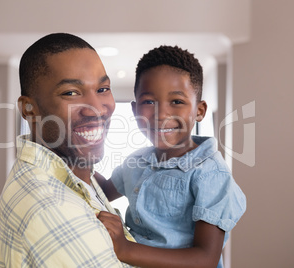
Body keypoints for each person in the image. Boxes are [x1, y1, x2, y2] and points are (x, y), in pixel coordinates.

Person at [0, 33, 135, 267]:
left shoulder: (73, 174)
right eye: (71, 92)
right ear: (29, 108)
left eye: (103, 88)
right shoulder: (52, 207)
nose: (96, 108)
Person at [96, 45, 246, 268]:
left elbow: (205, 259)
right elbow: (101, 191)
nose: (161, 114)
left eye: (177, 101)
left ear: (199, 110)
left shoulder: (211, 174)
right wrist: (77, 155)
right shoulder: (137, 161)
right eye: (148, 102)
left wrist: (125, 249)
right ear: (135, 110)